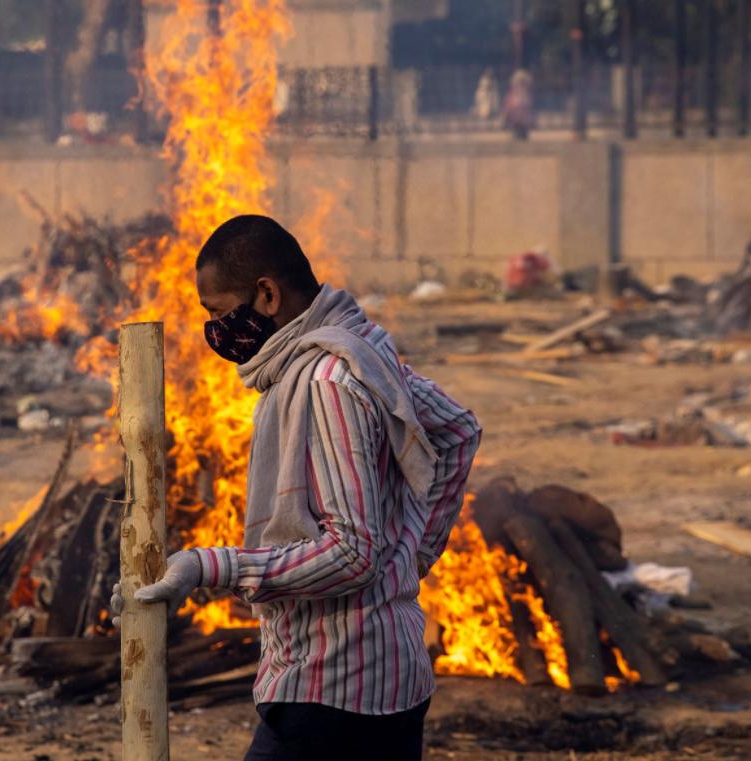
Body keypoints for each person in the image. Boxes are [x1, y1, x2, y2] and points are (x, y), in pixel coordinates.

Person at [113, 215, 481, 760]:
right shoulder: (362, 348)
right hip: (389, 678)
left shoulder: (325, 383)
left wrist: (209, 567)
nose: (215, 330)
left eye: (217, 312)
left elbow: (353, 554)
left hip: (335, 687)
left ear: (266, 294)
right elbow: (457, 431)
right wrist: (412, 551)